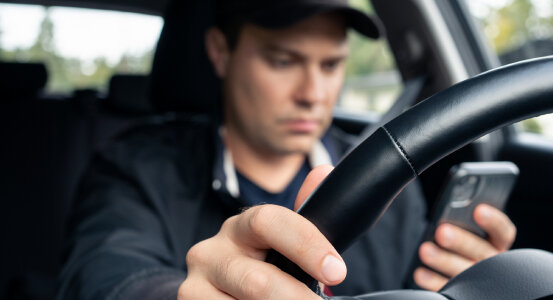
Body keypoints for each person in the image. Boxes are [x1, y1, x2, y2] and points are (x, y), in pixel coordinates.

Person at [57, 0, 517, 299]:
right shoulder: (134, 168)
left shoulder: (385, 178)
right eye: (283, 61)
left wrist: (459, 284)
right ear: (220, 52)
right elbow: (105, 278)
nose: (314, 93)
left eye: (332, 64)